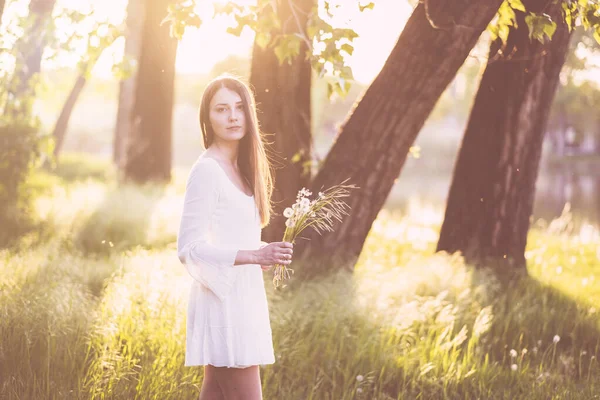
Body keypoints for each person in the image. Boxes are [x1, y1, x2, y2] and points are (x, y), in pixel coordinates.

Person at [177, 75, 294, 400]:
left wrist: (264, 251)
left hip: (244, 294)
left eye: (240, 107)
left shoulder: (242, 170)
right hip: (222, 298)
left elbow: (230, 236)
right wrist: (256, 256)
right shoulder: (207, 171)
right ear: (208, 118)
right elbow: (189, 248)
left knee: (215, 393)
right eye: (221, 109)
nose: (232, 116)